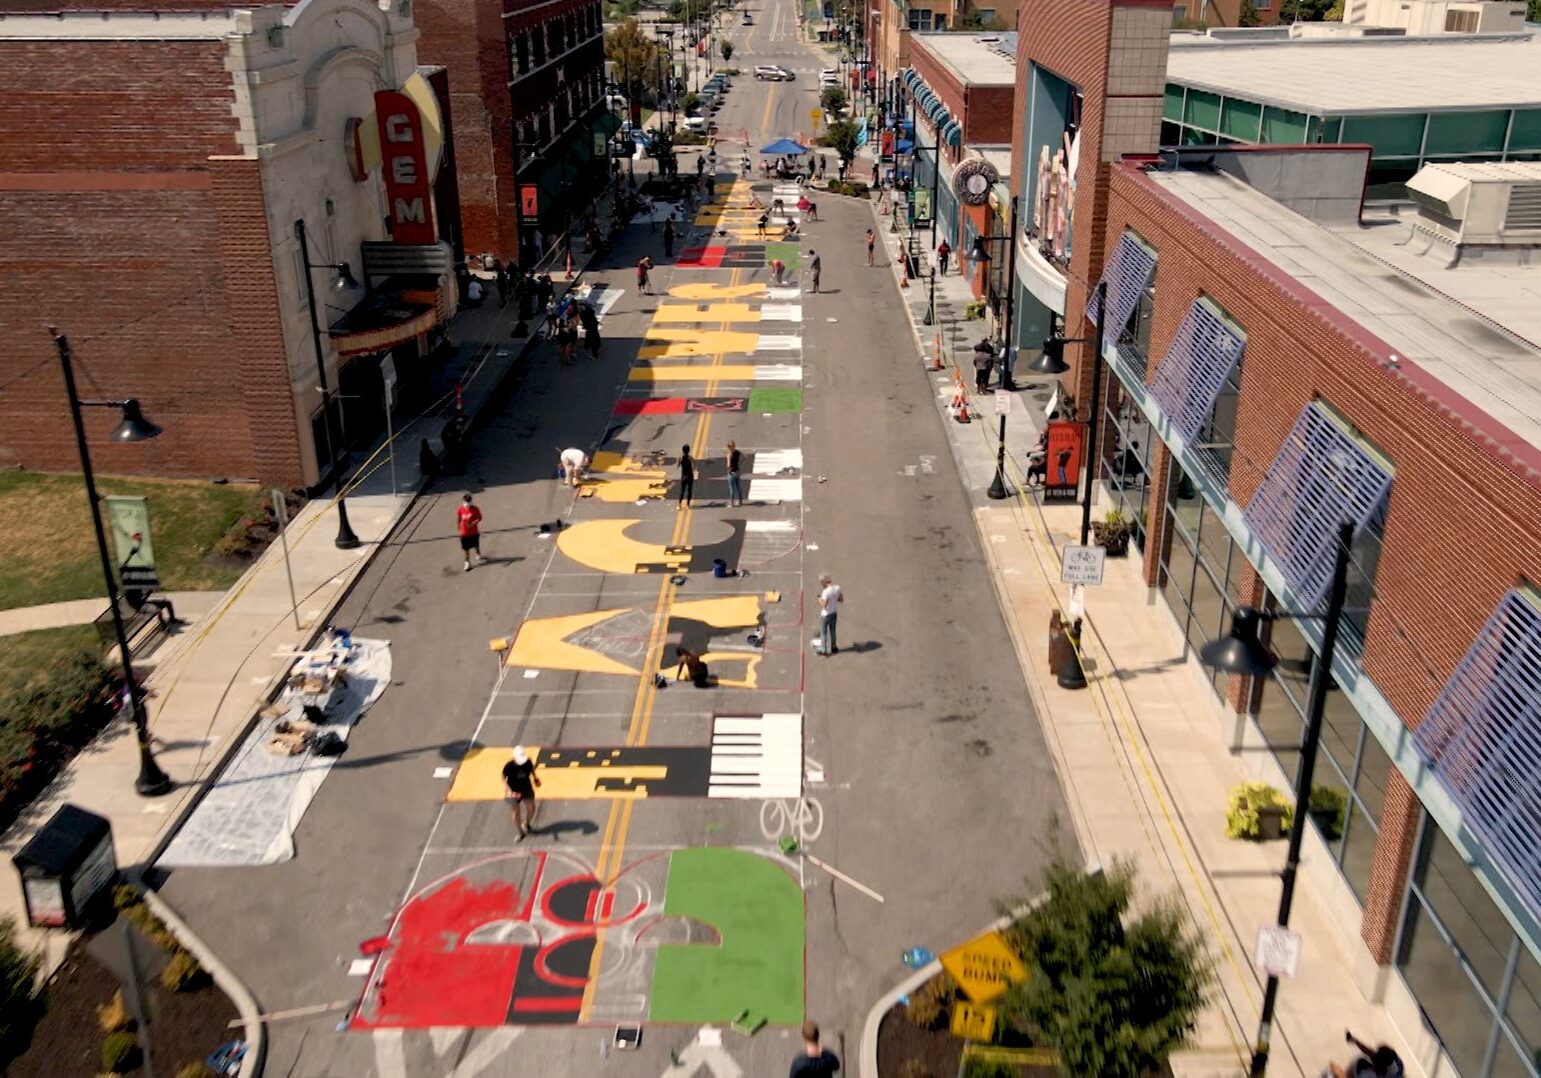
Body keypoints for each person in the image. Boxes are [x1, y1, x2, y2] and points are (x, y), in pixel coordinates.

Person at [502, 745, 541, 838]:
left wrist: (535, 778)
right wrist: (509, 790)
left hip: (526, 788)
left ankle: (526, 824)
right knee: (516, 812)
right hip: (514, 791)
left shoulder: (528, 762)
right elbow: (504, 778)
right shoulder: (509, 766)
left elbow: (531, 770)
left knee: (531, 807)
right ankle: (520, 832)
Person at [816, 574, 842, 656]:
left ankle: (824, 650)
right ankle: (834, 647)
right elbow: (841, 599)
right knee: (833, 631)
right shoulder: (837, 588)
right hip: (834, 613)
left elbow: (824, 605)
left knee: (823, 633)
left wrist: (819, 599)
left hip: (826, 615)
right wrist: (833, 599)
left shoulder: (826, 592)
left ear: (824, 583)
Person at [456, 493, 483, 572]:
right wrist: (458, 527)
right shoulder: (460, 509)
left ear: (471, 501)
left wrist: (473, 523)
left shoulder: (475, 509)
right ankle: (467, 562)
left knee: (476, 545)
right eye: (465, 501)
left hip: (474, 532)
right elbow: (458, 518)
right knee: (466, 548)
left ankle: (478, 552)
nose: (466, 503)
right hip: (464, 533)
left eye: (468, 501)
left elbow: (480, 518)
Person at [726, 439, 743, 506]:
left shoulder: (729, 454)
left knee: (732, 488)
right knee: (738, 487)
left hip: (731, 472)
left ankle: (732, 502)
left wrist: (728, 471)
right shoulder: (738, 452)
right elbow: (744, 457)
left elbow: (728, 465)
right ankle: (740, 501)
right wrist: (740, 464)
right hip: (737, 471)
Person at [678, 444, 695, 508]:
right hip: (690, 475)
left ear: (683, 450)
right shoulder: (690, 457)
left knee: (682, 490)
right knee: (689, 490)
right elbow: (694, 462)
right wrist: (694, 468)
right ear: (689, 450)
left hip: (684, 476)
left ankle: (679, 504)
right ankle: (688, 504)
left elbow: (678, 465)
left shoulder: (680, 457)